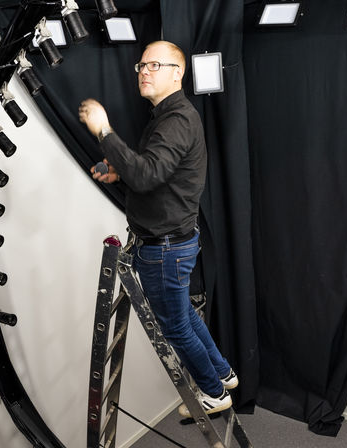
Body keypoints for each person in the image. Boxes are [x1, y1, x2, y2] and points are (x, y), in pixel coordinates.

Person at [78, 40, 237, 417]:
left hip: (165, 248)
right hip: (174, 241)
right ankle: (224, 373)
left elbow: (147, 175)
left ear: (177, 73)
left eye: (155, 65)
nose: (145, 71)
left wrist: (104, 131)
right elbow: (155, 172)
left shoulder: (177, 119)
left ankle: (215, 393)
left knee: (176, 327)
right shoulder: (168, 117)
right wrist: (120, 173)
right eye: (142, 66)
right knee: (183, 318)